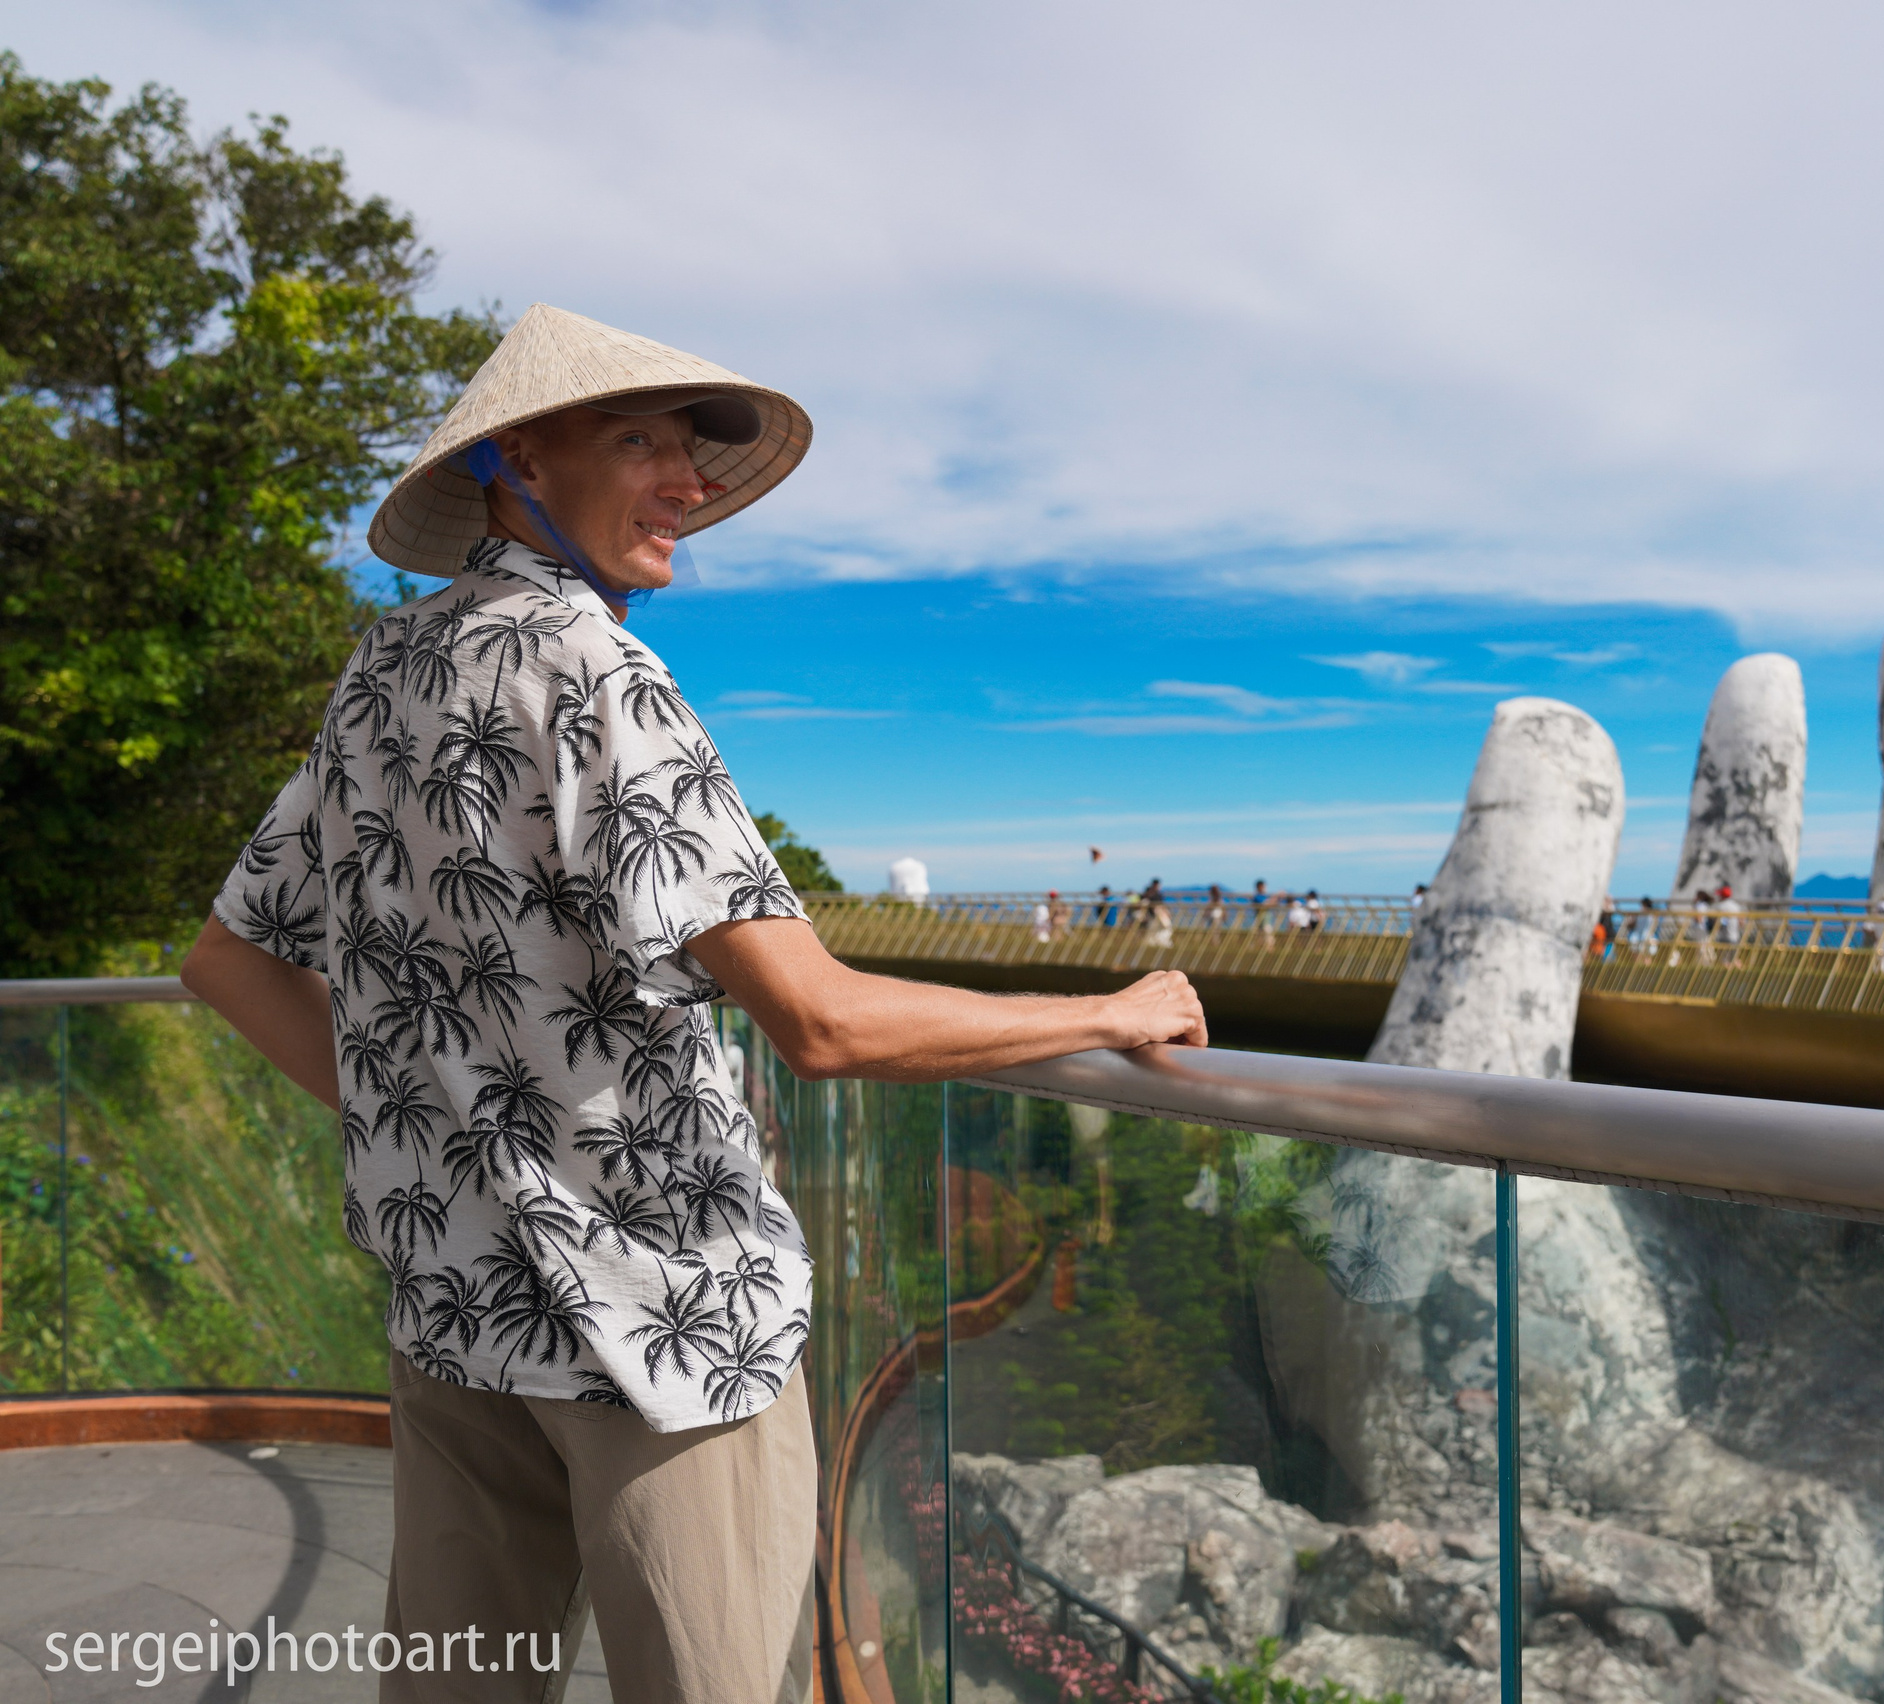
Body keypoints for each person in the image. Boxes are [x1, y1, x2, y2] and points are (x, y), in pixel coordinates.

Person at [175, 306, 1207, 1704]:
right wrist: (1107, 1012)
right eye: (642, 441)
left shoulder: (384, 674)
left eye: (698, 455)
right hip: (666, 1332)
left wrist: (455, 1141)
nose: (692, 483)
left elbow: (227, 963)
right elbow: (821, 1021)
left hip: (460, 1310)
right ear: (516, 455)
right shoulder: (600, 675)